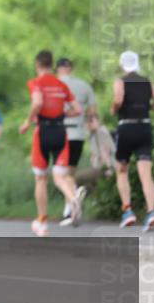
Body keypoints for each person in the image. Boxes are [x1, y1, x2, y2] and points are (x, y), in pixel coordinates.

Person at [19, 50, 83, 236]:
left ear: (37, 65)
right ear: (52, 65)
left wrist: (27, 122)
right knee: (60, 177)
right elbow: (78, 110)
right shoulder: (61, 85)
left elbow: (37, 103)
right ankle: (72, 198)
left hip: (43, 132)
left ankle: (42, 221)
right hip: (61, 132)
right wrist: (62, 114)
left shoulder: (36, 83)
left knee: (41, 178)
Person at [110, 50, 154, 231]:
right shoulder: (147, 81)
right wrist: (148, 107)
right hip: (144, 127)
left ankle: (128, 211)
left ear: (122, 64)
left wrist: (114, 109)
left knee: (122, 170)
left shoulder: (120, 81)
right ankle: (151, 212)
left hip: (126, 127)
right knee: (146, 173)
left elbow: (118, 99)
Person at [56, 57, 97, 224]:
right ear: (71, 68)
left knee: (60, 174)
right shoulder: (84, 85)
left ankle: (71, 203)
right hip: (78, 134)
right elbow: (92, 111)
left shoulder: (54, 85)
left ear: (57, 69)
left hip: (59, 133)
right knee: (70, 172)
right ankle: (70, 209)